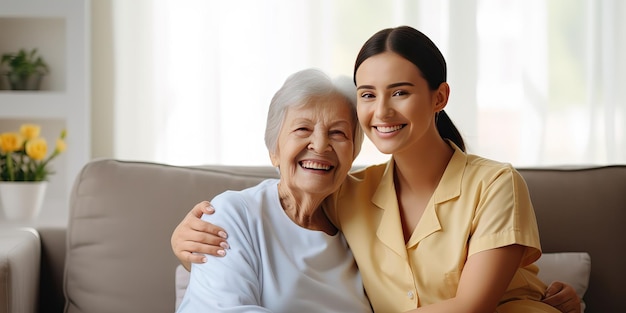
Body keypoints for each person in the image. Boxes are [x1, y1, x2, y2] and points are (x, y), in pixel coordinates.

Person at [172, 26, 582, 313]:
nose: (382, 111)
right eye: (367, 94)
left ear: (440, 97)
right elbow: (282, 209)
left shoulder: (495, 183)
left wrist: (556, 295)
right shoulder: (348, 194)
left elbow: (472, 305)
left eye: (400, 92)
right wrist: (185, 242)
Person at [176, 68, 372, 312]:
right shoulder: (234, 214)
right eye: (303, 129)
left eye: (338, 133)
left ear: (352, 155)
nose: (321, 145)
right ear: (274, 151)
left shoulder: (360, 229)